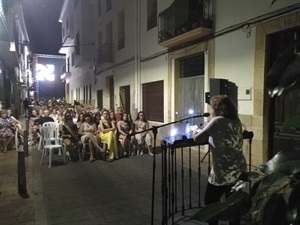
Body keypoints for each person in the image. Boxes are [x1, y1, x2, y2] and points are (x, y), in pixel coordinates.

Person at [192, 95, 246, 225]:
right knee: (233, 202)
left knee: (210, 201)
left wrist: (194, 131)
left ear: (217, 108)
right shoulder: (236, 121)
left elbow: (198, 139)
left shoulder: (217, 121)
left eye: (211, 107)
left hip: (223, 170)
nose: (210, 110)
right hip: (238, 168)